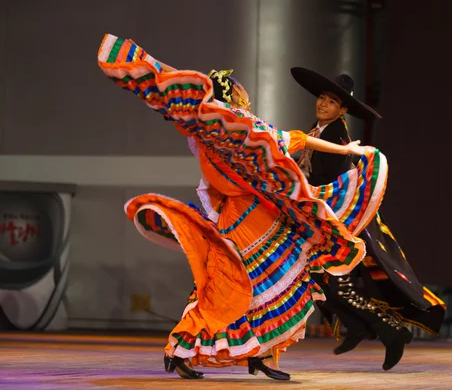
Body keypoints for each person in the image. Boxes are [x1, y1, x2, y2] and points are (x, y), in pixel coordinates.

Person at [97, 35, 388, 381]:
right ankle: (186, 348)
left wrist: (344, 152)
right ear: (234, 95)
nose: (245, 98)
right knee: (243, 284)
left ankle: (254, 355)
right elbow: (290, 138)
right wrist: (346, 152)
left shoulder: (213, 129)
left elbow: (289, 139)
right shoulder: (234, 126)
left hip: (254, 213)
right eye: (240, 92)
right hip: (245, 217)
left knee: (264, 284)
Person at [292, 67, 446, 371]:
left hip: (341, 221)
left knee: (333, 284)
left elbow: (338, 185)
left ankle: (390, 332)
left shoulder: (336, 135)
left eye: (331, 101)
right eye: (321, 97)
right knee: (320, 282)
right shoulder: (319, 129)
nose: (322, 104)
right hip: (326, 220)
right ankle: (363, 327)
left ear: (342, 109)